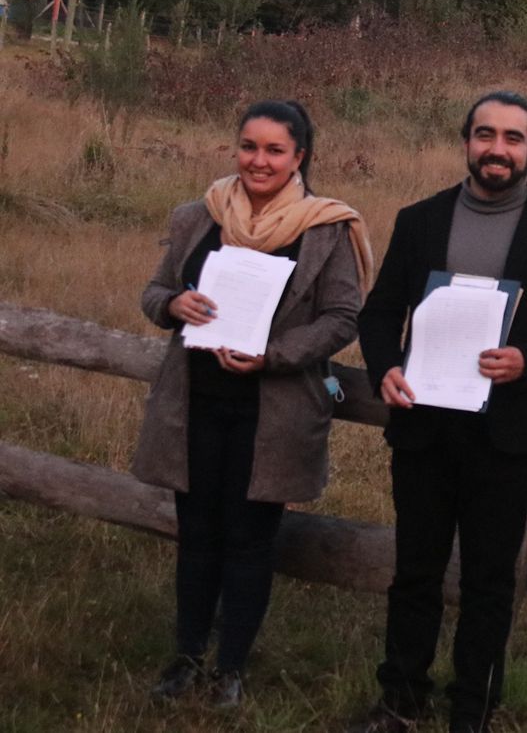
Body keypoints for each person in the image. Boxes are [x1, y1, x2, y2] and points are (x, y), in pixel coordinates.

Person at [349, 91, 527, 733]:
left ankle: (473, 709)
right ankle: (401, 699)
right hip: (424, 426)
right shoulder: (420, 220)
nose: (497, 148)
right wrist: (386, 368)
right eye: (485, 134)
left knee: (489, 582)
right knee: (415, 572)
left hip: (506, 435)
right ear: (467, 142)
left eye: (513, 138)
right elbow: (379, 314)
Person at [134, 99, 371, 707]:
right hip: (194, 403)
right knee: (196, 533)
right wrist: (172, 305)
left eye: (273, 150)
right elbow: (155, 291)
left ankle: (231, 668)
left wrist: (274, 354)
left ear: (299, 157)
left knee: (249, 538)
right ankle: (186, 656)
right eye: (248, 146)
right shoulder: (198, 215)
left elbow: (343, 317)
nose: (258, 161)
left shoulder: (325, 230)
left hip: (273, 414)